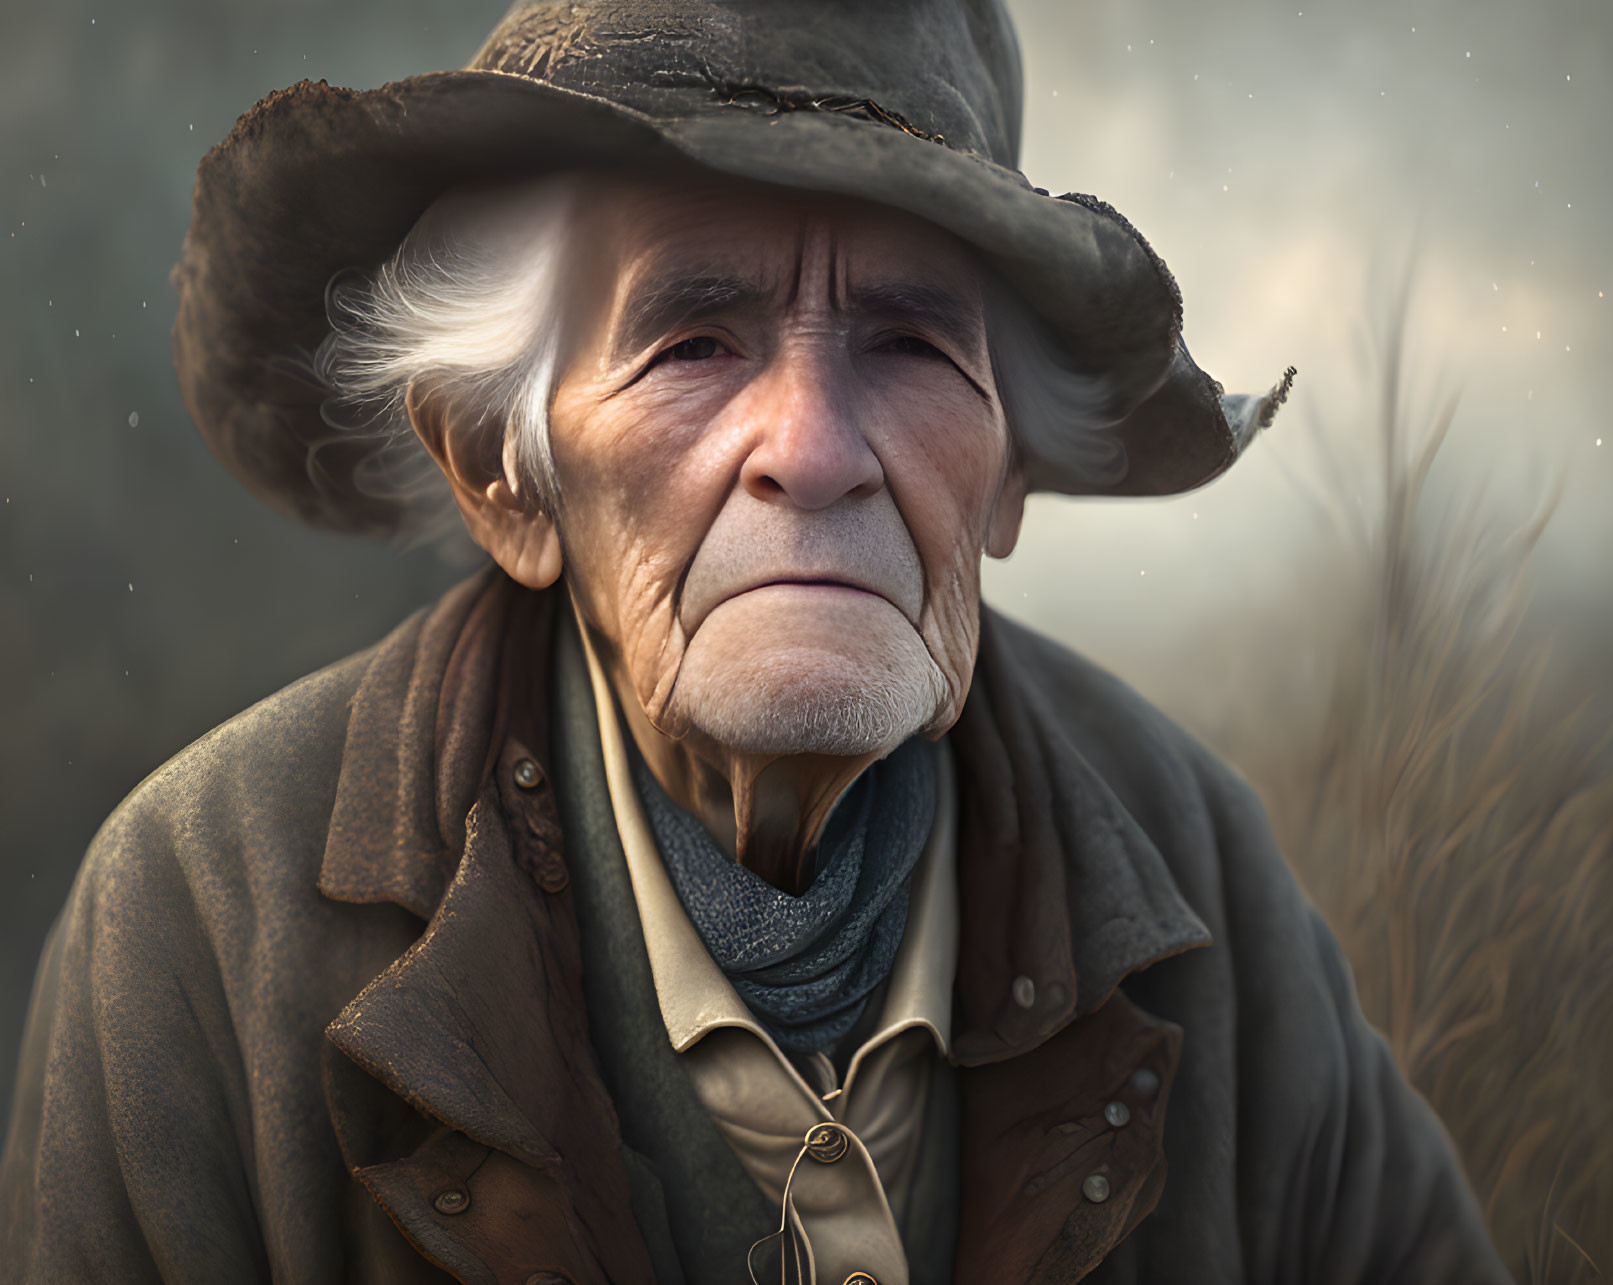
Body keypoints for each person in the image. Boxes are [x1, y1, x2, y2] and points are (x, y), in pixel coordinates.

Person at [1, 1, 1510, 1281]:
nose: (814, 446)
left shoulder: (1197, 879)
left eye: (912, 344)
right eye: (694, 338)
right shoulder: (201, 927)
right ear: (502, 472)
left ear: (1005, 481)